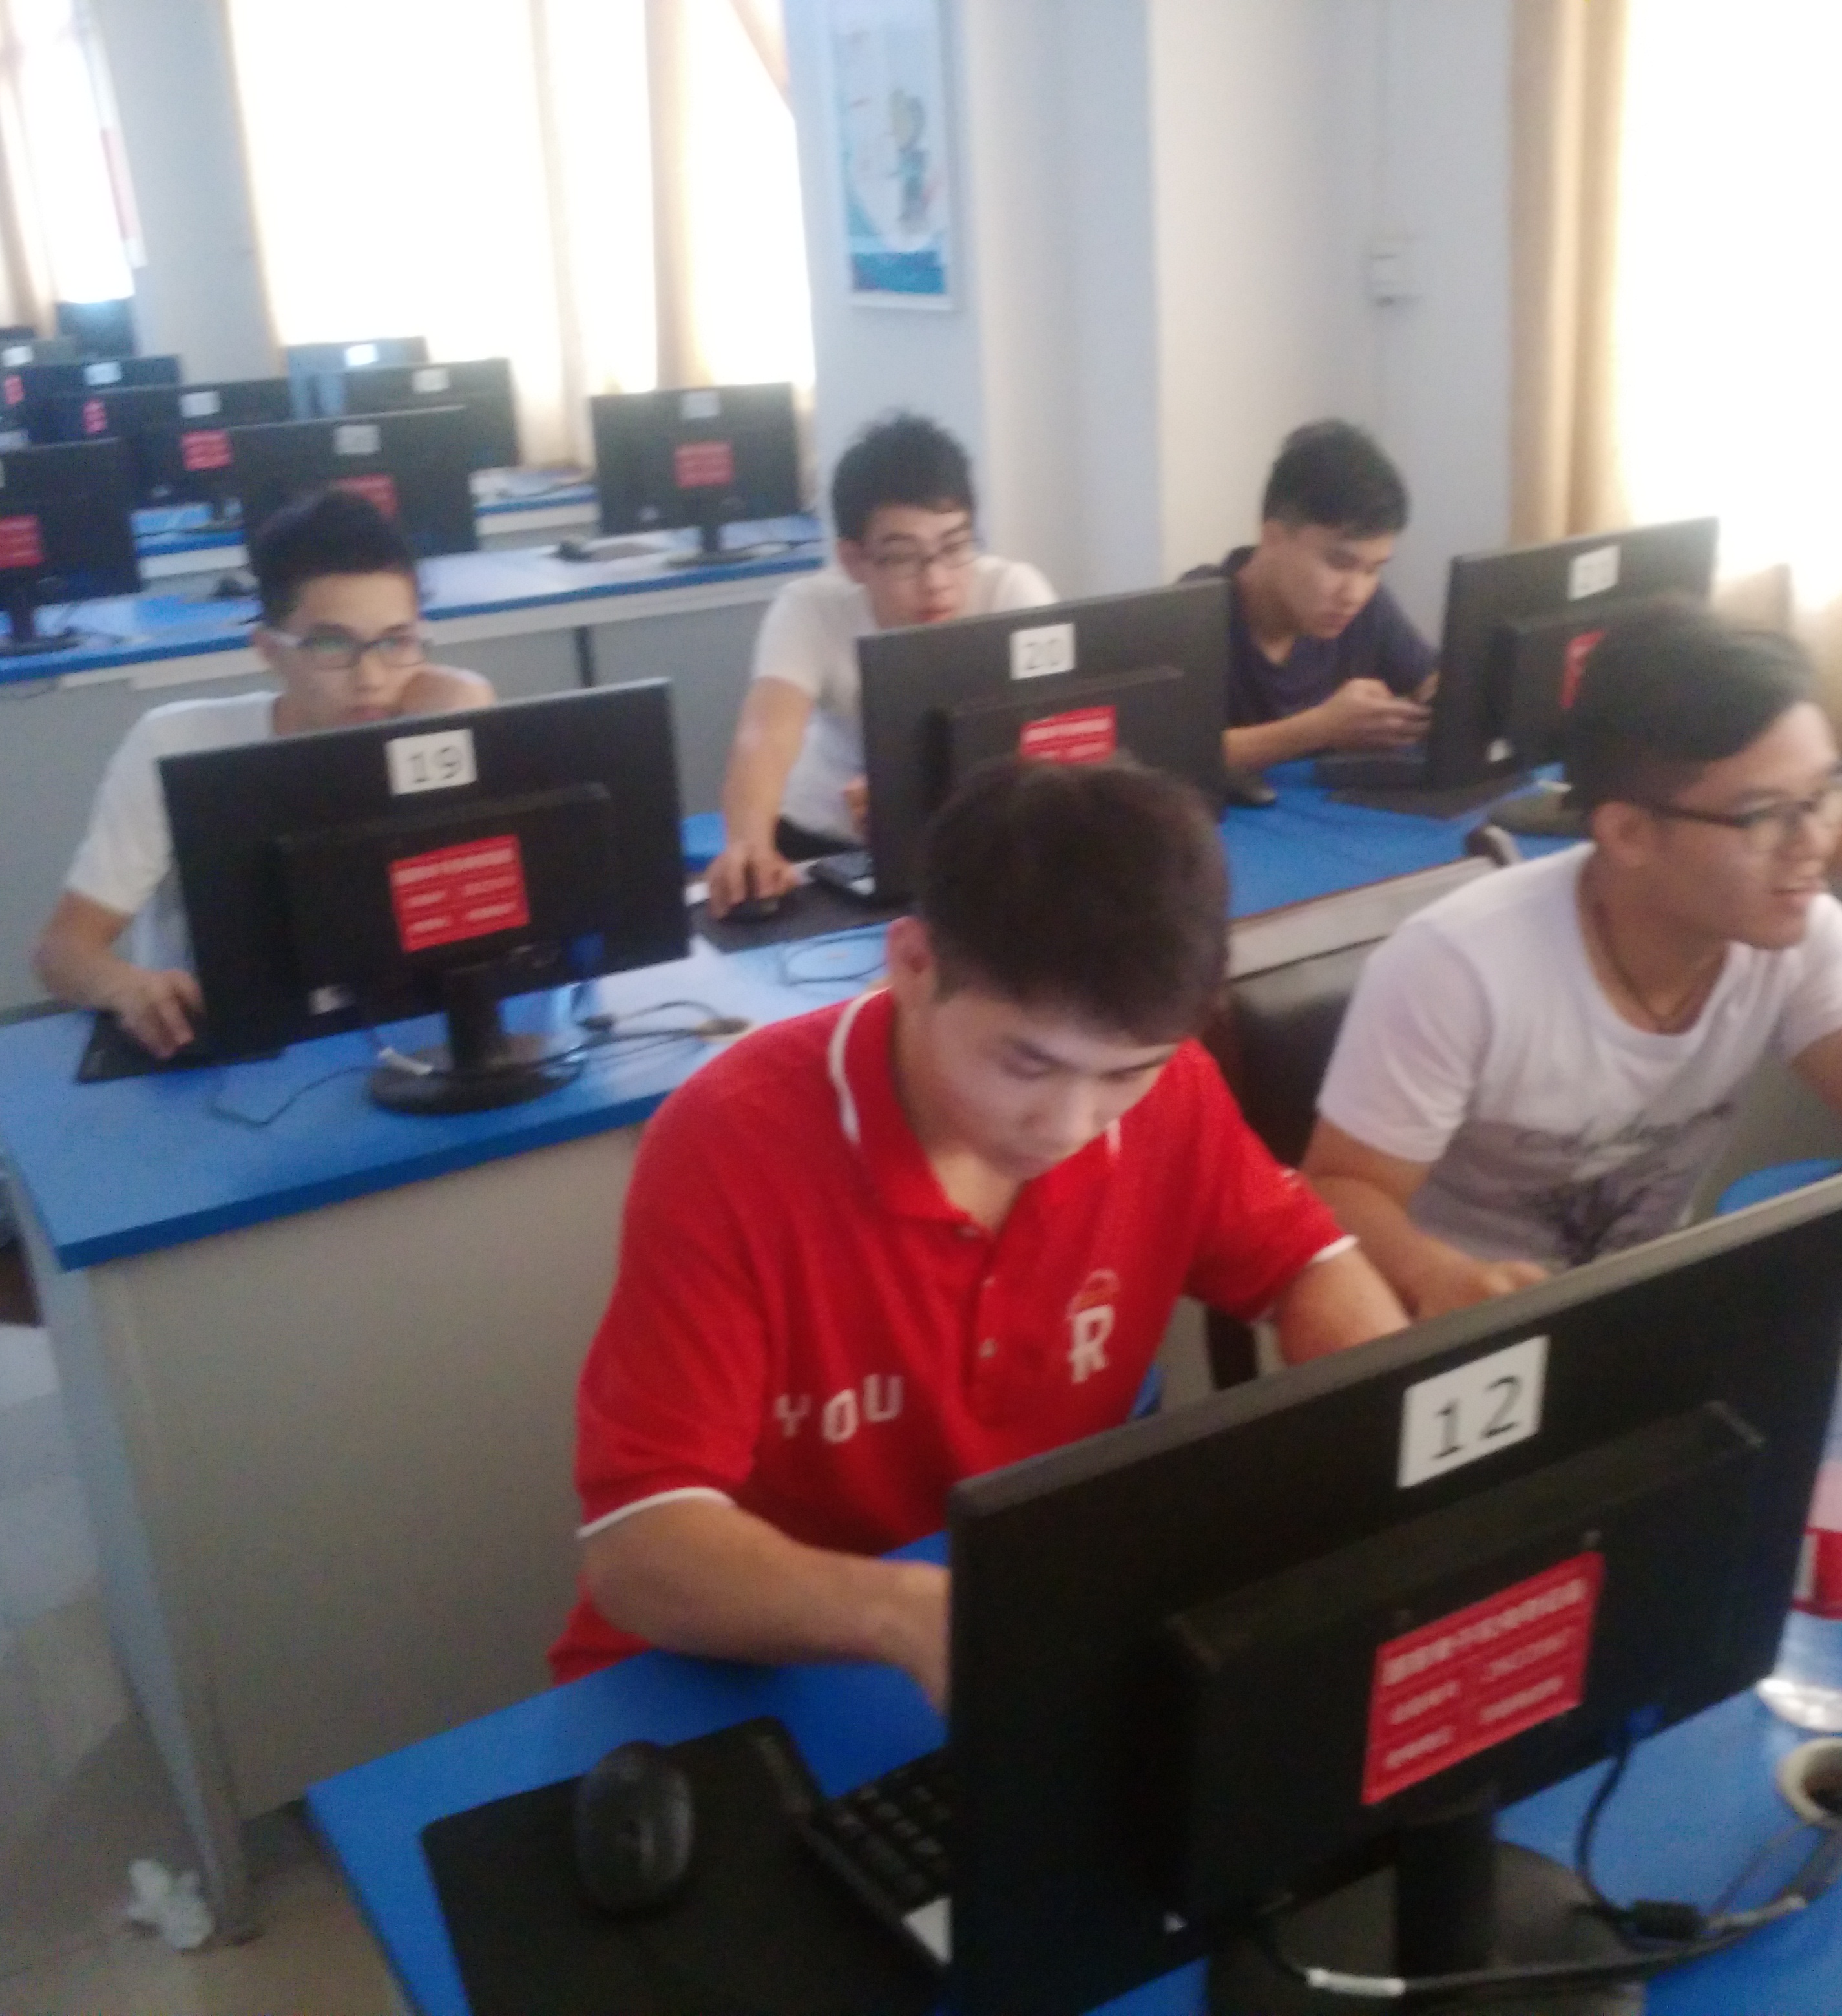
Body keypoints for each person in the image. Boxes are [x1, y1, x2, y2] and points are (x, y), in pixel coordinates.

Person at [557, 759, 1410, 1701]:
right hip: (752, 1656)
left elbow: (1310, 1266)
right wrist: (906, 1614)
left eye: (1124, 1074)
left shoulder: (1174, 1094)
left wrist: (1389, 1461)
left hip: (1023, 1615)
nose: (1070, 1124)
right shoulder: (729, 1141)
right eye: (1026, 1064)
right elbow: (639, 1548)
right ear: (913, 965)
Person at [0, 490, 495, 1327]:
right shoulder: (176, 744)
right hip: (201, 1062)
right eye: (331, 644)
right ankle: (135, 1339)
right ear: (268, 649)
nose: (370, 677)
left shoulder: (431, 733)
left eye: (395, 641)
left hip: (381, 1057)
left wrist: (465, 708)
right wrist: (127, 987)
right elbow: (64, 951)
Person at [1303, 599, 1842, 1318]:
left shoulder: (1793, 927)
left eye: (1822, 796)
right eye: (1765, 815)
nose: (1812, 843)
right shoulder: (1457, 968)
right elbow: (1337, 1192)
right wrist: (1435, 1276)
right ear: (1628, 833)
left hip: (1645, 1314)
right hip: (1460, 1333)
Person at [705, 411, 1054, 916]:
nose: (936, 581)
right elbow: (766, 735)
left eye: (955, 547)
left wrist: (914, 802)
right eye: (903, 556)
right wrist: (748, 844)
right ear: (853, 560)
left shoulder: (1011, 592)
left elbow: (1053, 737)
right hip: (824, 846)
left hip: (980, 845)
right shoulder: (810, 608)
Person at [1185, 419, 1436, 773]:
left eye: (1373, 569)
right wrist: (1320, 729)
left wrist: (1439, 699)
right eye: (1339, 563)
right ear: (1273, 539)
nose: (1354, 593)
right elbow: (1166, 756)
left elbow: (1429, 678)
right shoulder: (1193, 614)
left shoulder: (1364, 606)